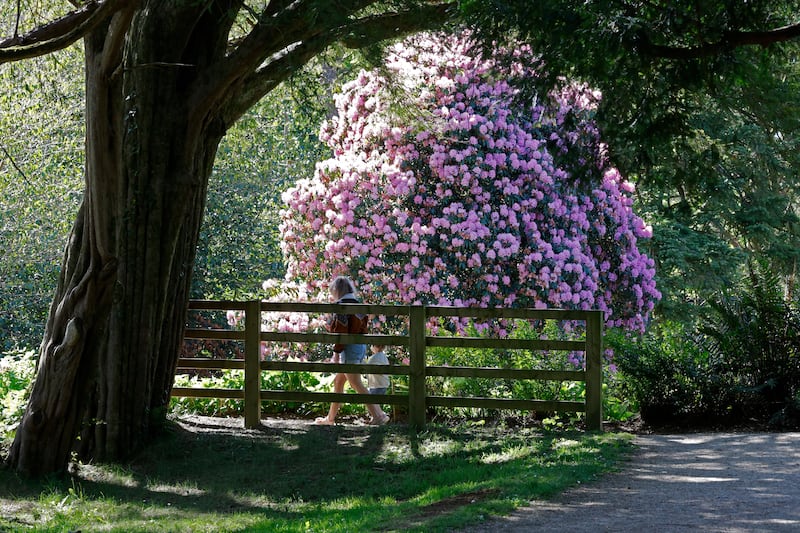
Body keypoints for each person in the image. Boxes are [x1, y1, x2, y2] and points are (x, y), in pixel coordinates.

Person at [314, 276, 390, 426]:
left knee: (356, 383)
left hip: (349, 349)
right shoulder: (358, 305)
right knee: (338, 382)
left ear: (337, 291)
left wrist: (336, 352)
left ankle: (379, 416)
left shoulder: (342, 306)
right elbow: (362, 328)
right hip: (359, 347)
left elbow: (341, 333)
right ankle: (330, 419)